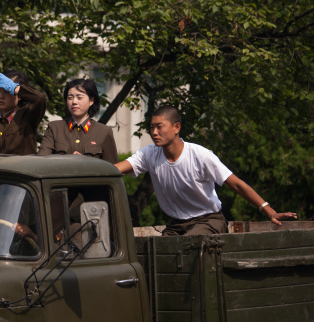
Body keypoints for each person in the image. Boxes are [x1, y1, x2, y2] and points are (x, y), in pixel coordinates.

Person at [115, 105, 297, 236]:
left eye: (159, 127)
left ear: (176, 127)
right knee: (162, 256)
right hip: (176, 225)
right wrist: (88, 166)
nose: (154, 132)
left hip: (208, 221)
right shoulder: (149, 154)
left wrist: (269, 211)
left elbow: (237, 184)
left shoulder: (200, 156)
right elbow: (117, 169)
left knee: (191, 246)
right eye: (152, 127)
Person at [37, 78, 118, 164]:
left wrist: (88, 163)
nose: (74, 102)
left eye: (79, 97)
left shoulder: (104, 131)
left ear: (91, 101)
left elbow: (112, 169)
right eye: (70, 98)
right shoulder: (54, 128)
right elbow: (41, 161)